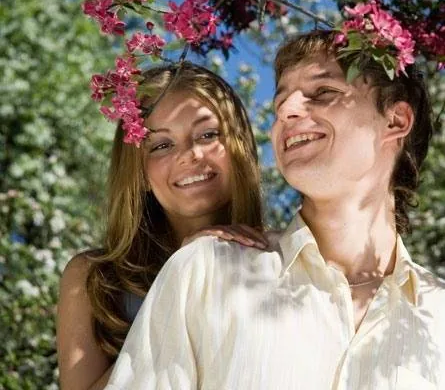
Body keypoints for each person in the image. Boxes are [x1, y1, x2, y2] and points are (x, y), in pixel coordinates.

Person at [104, 30, 445, 390]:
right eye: (280, 101)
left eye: (323, 92)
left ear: (395, 121)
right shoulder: (205, 270)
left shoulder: (438, 313)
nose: (286, 110)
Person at [56, 62, 269, 390]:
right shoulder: (92, 280)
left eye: (208, 134)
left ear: (239, 146)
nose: (190, 154)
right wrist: (180, 275)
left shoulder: (286, 264)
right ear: (139, 172)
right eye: (161, 145)